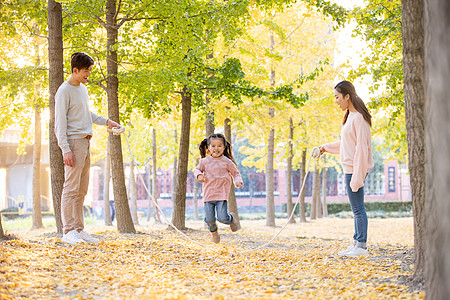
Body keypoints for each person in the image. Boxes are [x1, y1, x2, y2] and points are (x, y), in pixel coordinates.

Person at [55, 52, 121, 244]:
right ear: (75, 70)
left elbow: (87, 114)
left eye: (89, 70)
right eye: (86, 71)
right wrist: (65, 149)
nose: (88, 74)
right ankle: (68, 231)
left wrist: (108, 121)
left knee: (82, 190)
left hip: (85, 142)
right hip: (73, 143)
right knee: (71, 188)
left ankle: (79, 229)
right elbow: (59, 124)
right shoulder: (64, 91)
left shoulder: (82, 89)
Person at [318, 81, 374, 257]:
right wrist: (323, 148)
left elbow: (361, 150)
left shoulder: (359, 118)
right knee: (356, 208)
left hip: (355, 170)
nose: (336, 101)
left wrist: (358, 176)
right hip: (350, 169)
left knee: (358, 208)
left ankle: (362, 246)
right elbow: (346, 145)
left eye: (337, 97)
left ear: (347, 96)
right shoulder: (349, 116)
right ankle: (357, 242)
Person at [194, 133, 244, 243]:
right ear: (208, 147)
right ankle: (214, 233)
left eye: (219, 146)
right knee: (210, 220)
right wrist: (199, 175)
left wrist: (238, 180)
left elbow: (235, 173)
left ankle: (231, 219)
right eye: (213, 146)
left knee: (223, 218)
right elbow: (197, 169)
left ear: (224, 147)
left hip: (221, 194)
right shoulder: (205, 161)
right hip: (208, 195)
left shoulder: (227, 161)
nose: (216, 148)